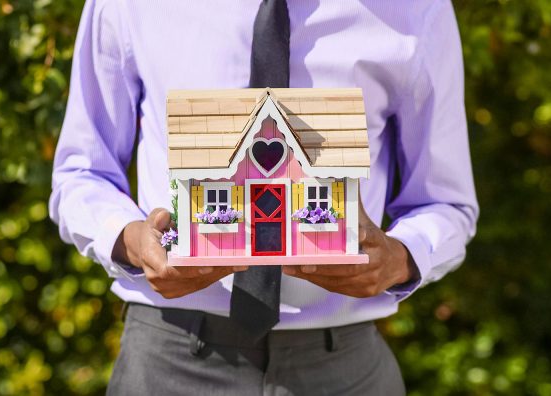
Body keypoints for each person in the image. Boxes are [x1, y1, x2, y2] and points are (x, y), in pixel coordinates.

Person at [49, 0, 478, 394]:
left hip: (344, 366)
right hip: (169, 358)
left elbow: (446, 202)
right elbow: (81, 172)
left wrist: (400, 259)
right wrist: (129, 240)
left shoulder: (415, 9)